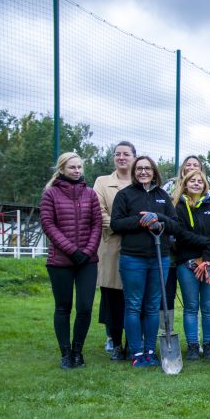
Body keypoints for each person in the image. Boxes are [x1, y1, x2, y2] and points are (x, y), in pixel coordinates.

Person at [110, 156, 178, 367]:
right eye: (139, 168)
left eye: (147, 168)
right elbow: (116, 224)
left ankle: (151, 350)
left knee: (152, 306)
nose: (143, 172)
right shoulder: (125, 195)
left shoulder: (162, 196)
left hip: (159, 258)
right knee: (133, 305)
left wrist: (158, 219)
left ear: (154, 171)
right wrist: (141, 221)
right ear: (134, 172)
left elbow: (175, 225)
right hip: (133, 258)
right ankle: (137, 352)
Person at [40, 152, 102, 369]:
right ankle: (65, 353)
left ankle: (78, 351)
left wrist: (87, 251)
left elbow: (97, 224)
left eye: (79, 167)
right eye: (72, 167)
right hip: (60, 261)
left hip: (87, 260)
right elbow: (48, 224)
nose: (77, 171)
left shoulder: (90, 194)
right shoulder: (51, 194)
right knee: (63, 307)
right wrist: (71, 250)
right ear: (62, 169)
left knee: (85, 307)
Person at [173, 170, 210, 361]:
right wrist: (207, 244)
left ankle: (209, 345)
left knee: (209, 307)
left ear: (204, 185)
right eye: (192, 181)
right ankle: (193, 346)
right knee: (191, 307)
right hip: (186, 263)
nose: (196, 184)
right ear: (185, 184)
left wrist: (206, 256)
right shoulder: (178, 207)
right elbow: (182, 234)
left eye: (199, 181)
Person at [93, 141, 136, 360]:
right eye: (117, 154)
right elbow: (99, 213)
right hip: (111, 247)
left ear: (134, 157)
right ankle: (115, 342)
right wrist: (129, 225)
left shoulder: (142, 181)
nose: (121, 157)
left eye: (126, 154)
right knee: (112, 297)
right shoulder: (102, 182)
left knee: (135, 298)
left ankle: (133, 343)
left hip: (138, 249)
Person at [160, 155, 206, 338]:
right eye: (188, 165)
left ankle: (202, 337)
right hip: (171, 255)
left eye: (196, 165)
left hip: (194, 253)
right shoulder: (169, 187)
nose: (192, 167)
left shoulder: (204, 193)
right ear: (183, 168)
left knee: (198, 301)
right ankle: (166, 332)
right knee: (167, 294)